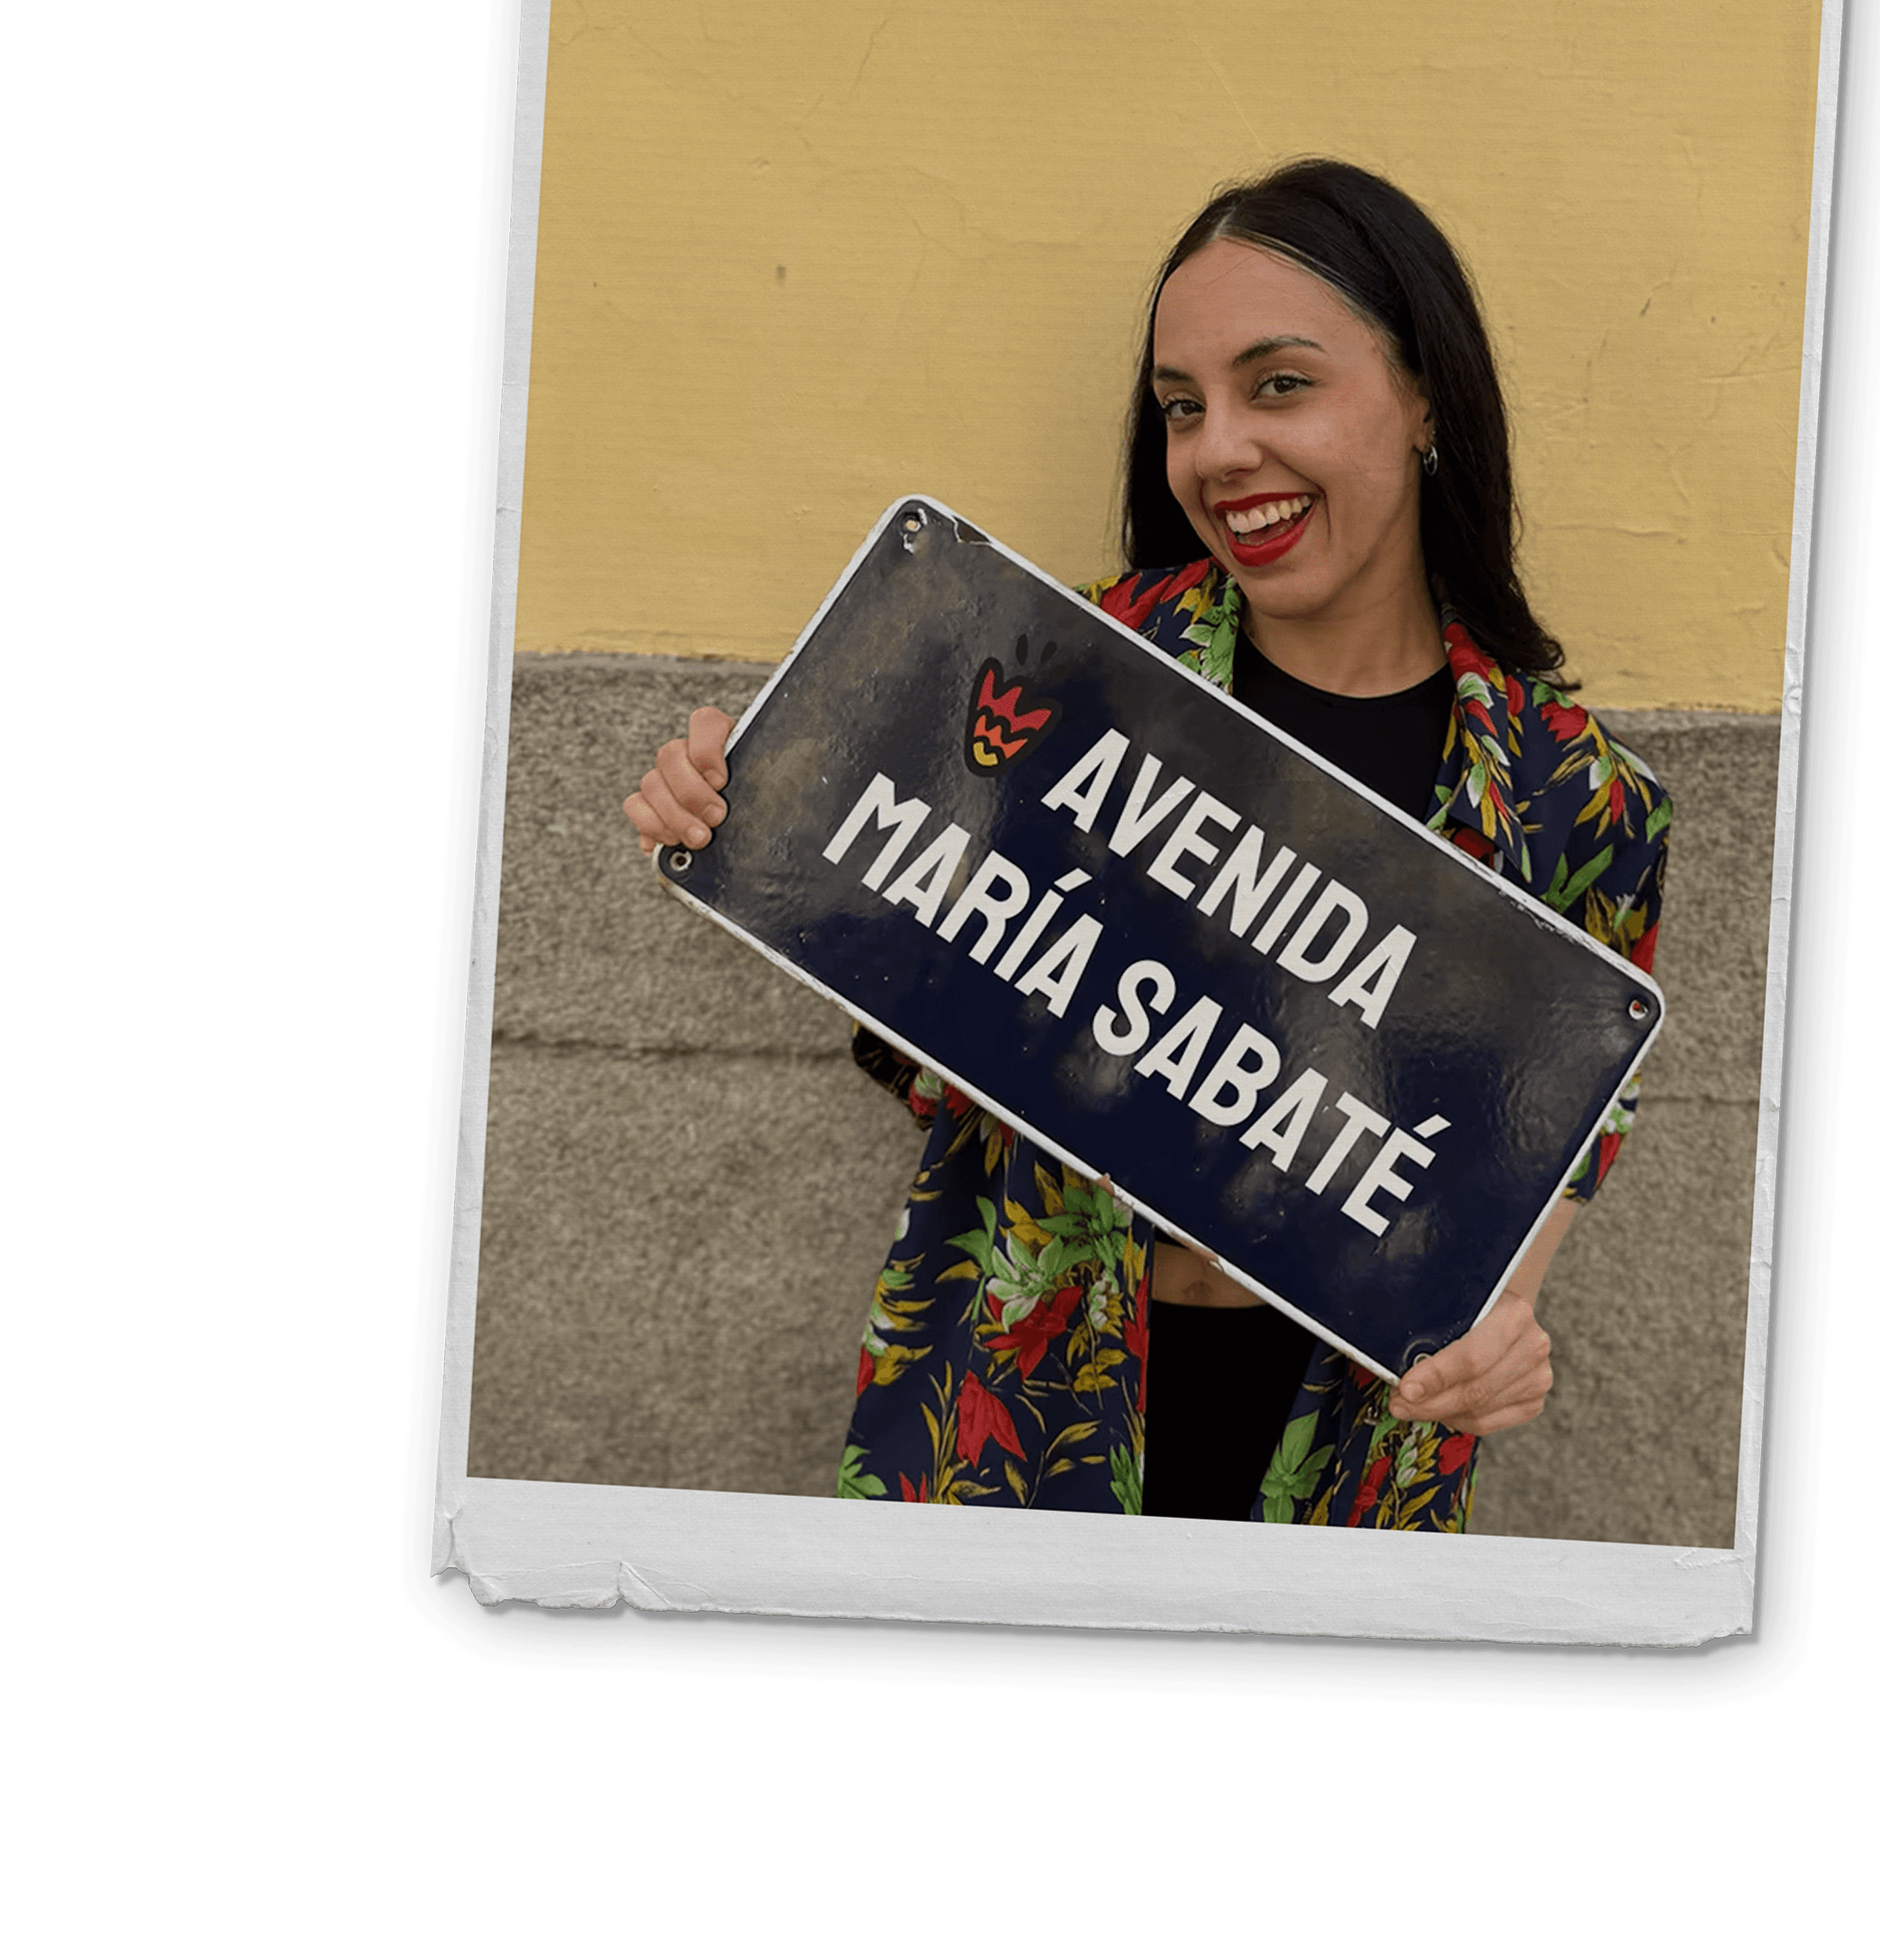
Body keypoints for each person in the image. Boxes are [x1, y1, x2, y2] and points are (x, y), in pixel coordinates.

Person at [624, 158, 1670, 1531]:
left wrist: (1503, 1341)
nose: (1218, 450)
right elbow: (923, 1015)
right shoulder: (1060, 670)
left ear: (1424, 396)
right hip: (1017, 1406)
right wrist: (748, 814)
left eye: (1278, 384)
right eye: (1184, 406)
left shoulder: (1575, 802)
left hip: (1345, 1462)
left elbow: (1535, 1168)